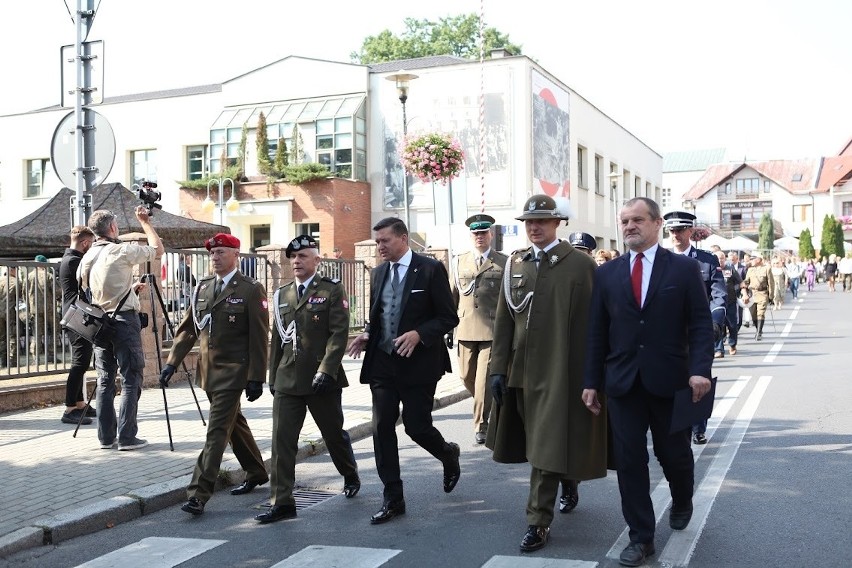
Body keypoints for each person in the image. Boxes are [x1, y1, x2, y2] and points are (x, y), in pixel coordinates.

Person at [583, 197, 714, 568]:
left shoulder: (684, 270)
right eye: (624, 221)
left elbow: (701, 325)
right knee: (629, 461)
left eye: (637, 220)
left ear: (657, 223)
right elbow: (597, 332)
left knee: (673, 454)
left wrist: (700, 368)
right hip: (623, 383)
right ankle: (641, 537)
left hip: (671, 381)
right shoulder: (606, 274)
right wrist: (591, 380)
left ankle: (683, 497)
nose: (629, 227)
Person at [487, 195, 608, 553]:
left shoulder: (580, 266)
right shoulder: (516, 265)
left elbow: (594, 326)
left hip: (561, 373)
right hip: (521, 372)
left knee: (544, 448)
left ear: (557, 224)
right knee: (536, 443)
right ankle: (567, 478)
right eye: (528, 222)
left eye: (541, 221)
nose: (534, 228)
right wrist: (496, 370)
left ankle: (538, 522)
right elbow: (504, 322)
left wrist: (592, 377)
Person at [347, 217, 460, 525]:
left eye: (384, 240)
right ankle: (393, 497)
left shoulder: (429, 269)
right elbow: (379, 314)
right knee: (381, 426)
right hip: (383, 363)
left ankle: (448, 453)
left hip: (418, 364)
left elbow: (449, 317)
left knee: (416, 426)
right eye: (377, 241)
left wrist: (420, 334)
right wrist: (368, 333)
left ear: (403, 239)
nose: (379, 247)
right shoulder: (379, 273)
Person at [160, 233, 269, 516]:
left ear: (236, 255)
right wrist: (172, 363)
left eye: (221, 252)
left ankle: (198, 493)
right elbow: (188, 329)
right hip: (208, 372)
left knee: (217, 431)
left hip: (235, 372)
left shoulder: (250, 289)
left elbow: (259, 337)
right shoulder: (203, 288)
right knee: (234, 424)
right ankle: (256, 471)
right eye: (212, 253)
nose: (215, 257)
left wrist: (257, 376)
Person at [255, 235, 360, 524]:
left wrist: (327, 370)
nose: (297, 262)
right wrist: (272, 377)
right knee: (282, 441)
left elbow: (339, 335)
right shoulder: (282, 294)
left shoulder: (331, 290)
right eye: (293, 257)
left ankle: (349, 472)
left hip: (320, 379)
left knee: (333, 434)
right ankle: (282, 502)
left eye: (303, 256)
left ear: (317, 260)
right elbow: (277, 339)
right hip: (288, 379)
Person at [78, 207, 163, 451]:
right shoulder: (120, 250)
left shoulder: (87, 257)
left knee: (104, 380)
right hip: (123, 321)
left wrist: (128, 290)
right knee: (130, 378)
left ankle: (106, 438)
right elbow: (158, 251)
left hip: (99, 324)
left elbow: (95, 290)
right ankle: (127, 437)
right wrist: (145, 222)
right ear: (113, 228)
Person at [663, 210, 725, 445]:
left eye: (680, 230)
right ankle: (675, 425)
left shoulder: (706, 260)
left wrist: (715, 324)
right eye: (672, 231)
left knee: (700, 378)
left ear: (690, 231)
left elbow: (718, 296)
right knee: (673, 380)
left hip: (699, 331)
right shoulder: (662, 259)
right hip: (670, 333)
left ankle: (698, 426)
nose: (676, 235)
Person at [449, 214, 508, 445]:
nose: (480, 237)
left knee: (483, 382)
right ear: (471, 236)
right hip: (465, 330)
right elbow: (451, 296)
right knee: (466, 377)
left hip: (492, 331)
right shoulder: (458, 261)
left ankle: (481, 425)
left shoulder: (503, 262)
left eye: (484, 233)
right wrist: (446, 328)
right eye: (476, 233)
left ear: (491, 235)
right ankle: (489, 403)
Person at [58, 226, 96, 425]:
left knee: (82, 362)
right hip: (76, 318)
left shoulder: (69, 259)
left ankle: (80, 404)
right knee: (79, 364)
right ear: (85, 243)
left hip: (74, 316)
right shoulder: (75, 261)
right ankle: (69, 408)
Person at [23, 255, 61, 363]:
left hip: (34, 309)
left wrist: (30, 304)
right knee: (54, 330)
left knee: (36, 333)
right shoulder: (48, 275)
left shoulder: (28, 277)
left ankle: (36, 358)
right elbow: (57, 291)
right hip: (49, 308)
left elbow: (24, 294)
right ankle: (51, 354)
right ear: (44, 264)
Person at [714, 250, 742, 356]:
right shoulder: (712, 269)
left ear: (725, 259)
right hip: (716, 303)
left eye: (721, 258)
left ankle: (732, 344)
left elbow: (740, 281)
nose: (719, 260)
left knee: (732, 325)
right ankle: (718, 349)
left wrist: (743, 291)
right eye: (717, 258)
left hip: (730, 302)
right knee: (717, 326)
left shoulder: (730, 269)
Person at [741, 255, 774, 341]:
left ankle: (758, 333)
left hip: (762, 293)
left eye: (753, 259)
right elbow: (746, 281)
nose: (751, 261)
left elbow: (771, 283)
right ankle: (758, 328)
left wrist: (771, 296)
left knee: (761, 313)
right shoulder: (750, 270)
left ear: (759, 260)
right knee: (753, 315)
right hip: (752, 294)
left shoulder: (767, 269)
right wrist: (744, 287)